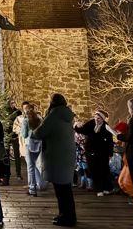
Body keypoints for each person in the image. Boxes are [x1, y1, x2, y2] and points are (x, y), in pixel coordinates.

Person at [33, 94, 77, 227]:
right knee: (65, 189)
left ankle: (67, 217)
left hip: (57, 156)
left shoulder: (54, 115)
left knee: (61, 190)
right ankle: (66, 215)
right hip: (66, 155)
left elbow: (40, 132)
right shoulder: (66, 116)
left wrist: (34, 128)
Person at [75, 110, 115, 196]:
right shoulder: (91, 123)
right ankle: (99, 189)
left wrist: (110, 153)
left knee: (104, 170)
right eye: (96, 117)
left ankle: (107, 188)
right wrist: (76, 126)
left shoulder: (106, 127)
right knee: (94, 170)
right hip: (91, 151)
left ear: (103, 119)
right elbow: (82, 130)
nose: (97, 119)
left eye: (99, 118)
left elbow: (110, 142)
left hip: (103, 152)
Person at [20, 107, 43, 196]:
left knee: (30, 167)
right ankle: (40, 184)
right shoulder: (40, 120)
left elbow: (24, 134)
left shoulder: (26, 121)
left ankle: (32, 189)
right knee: (36, 165)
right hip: (39, 144)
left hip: (29, 144)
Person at [4, 100, 22, 184]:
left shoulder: (18, 112)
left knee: (17, 155)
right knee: (6, 155)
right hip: (7, 136)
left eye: (14, 102)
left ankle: (18, 173)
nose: (13, 104)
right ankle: (7, 174)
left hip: (15, 136)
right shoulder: (4, 112)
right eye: (11, 103)